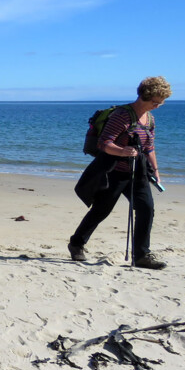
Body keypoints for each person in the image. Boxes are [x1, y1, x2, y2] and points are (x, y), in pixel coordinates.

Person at [69, 76, 173, 270]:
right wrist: (122, 151)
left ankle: (142, 255)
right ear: (145, 96)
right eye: (156, 101)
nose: (159, 105)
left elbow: (150, 147)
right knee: (101, 210)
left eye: (161, 102)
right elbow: (104, 143)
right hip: (115, 171)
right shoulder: (122, 115)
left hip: (138, 172)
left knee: (146, 209)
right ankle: (76, 244)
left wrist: (156, 172)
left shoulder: (149, 118)